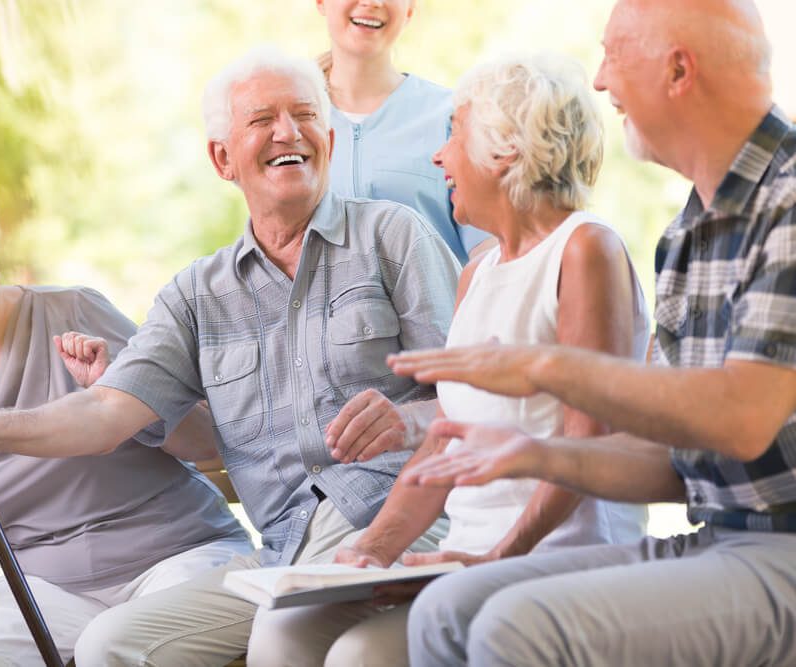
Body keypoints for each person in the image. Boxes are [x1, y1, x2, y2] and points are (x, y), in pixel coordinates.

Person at [0, 48, 461, 666]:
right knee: (112, 645)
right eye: (262, 120)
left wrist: (409, 420)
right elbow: (103, 413)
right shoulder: (198, 295)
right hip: (280, 555)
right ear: (222, 158)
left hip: (402, 516)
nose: (287, 132)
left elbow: (475, 402)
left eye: (304, 115)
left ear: (328, 138)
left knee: (288, 641)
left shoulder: (392, 235)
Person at [387, 1, 796, 664]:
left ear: (678, 69)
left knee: (515, 627)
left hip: (784, 545)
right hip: (717, 535)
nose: (600, 82)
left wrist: (545, 368)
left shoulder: (789, 201)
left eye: (614, 54)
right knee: (444, 610)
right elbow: (675, 462)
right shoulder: (687, 233)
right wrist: (533, 453)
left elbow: (745, 418)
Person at [252, 52, 649, 666]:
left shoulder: (584, 248)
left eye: (454, 135)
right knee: (287, 633)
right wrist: (373, 552)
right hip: (467, 561)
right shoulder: (478, 273)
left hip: (556, 562)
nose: (440, 158)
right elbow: (442, 442)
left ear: (506, 150)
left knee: (362, 656)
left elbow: (586, 443)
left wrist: (496, 559)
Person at [0, 165, 252, 666]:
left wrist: (117, 389)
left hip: (176, 558)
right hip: (54, 598)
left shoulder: (75, 312)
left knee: (114, 649)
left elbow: (206, 441)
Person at [317, 0, 488, 261]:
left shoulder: (453, 117)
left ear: (410, 9)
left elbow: (487, 250)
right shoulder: (289, 122)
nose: (371, 3)